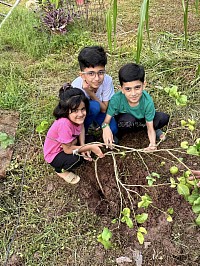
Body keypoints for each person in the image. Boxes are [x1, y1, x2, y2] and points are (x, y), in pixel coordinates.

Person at [43, 84, 104, 184]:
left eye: (83, 109)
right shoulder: (64, 124)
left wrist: (83, 145)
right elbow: (67, 150)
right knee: (76, 159)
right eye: (75, 111)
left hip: (68, 143)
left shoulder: (76, 119)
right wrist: (89, 148)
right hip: (56, 153)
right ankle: (59, 170)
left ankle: (80, 147)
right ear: (66, 111)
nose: (80, 114)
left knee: (91, 138)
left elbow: (81, 127)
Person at [101, 63, 170, 151]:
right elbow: (106, 122)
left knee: (163, 118)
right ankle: (118, 135)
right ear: (121, 89)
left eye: (137, 87)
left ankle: (152, 130)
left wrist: (152, 144)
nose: (133, 93)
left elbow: (149, 125)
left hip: (142, 120)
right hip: (126, 121)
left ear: (144, 85)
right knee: (127, 121)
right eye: (128, 89)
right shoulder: (116, 99)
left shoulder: (147, 101)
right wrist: (105, 128)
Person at [71, 45, 118, 135]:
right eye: (91, 73)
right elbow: (74, 114)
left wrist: (90, 93)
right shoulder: (76, 87)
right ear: (82, 75)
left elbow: (104, 109)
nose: (97, 78)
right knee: (94, 106)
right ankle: (84, 130)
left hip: (100, 111)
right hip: (80, 116)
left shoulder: (107, 80)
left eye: (101, 72)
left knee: (113, 130)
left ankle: (95, 122)